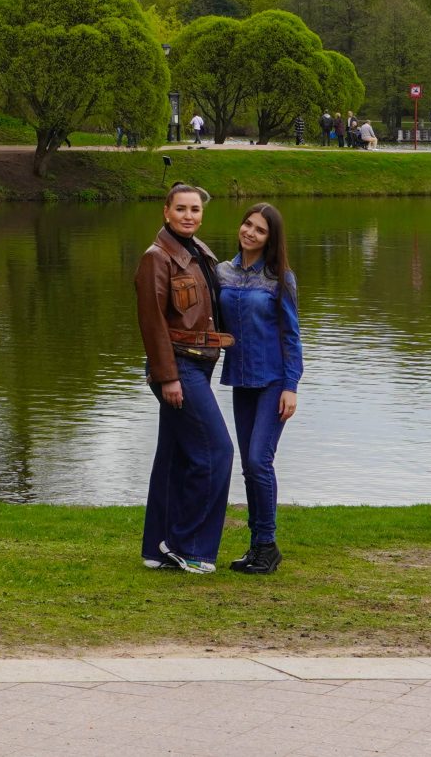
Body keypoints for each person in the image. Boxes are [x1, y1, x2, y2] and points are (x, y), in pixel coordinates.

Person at [136, 183, 235, 573]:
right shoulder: (156, 258)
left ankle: (157, 548)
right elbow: (152, 322)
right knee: (216, 452)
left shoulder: (199, 253)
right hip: (179, 368)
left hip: (199, 365)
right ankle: (189, 546)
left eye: (195, 209)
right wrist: (168, 377)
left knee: (174, 455)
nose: (189, 215)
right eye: (181, 209)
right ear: (166, 212)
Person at [216, 202, 301, 574]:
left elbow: (291, 336)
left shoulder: (280, 278)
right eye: (247, 224)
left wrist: (291, 386)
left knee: (258, 461)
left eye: (260, 229)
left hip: (273, 382)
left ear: (271, 239)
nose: (250, 232)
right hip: (241, 380)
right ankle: (256, 548)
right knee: (249, 467)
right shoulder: (221, 272)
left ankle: (267, 544)